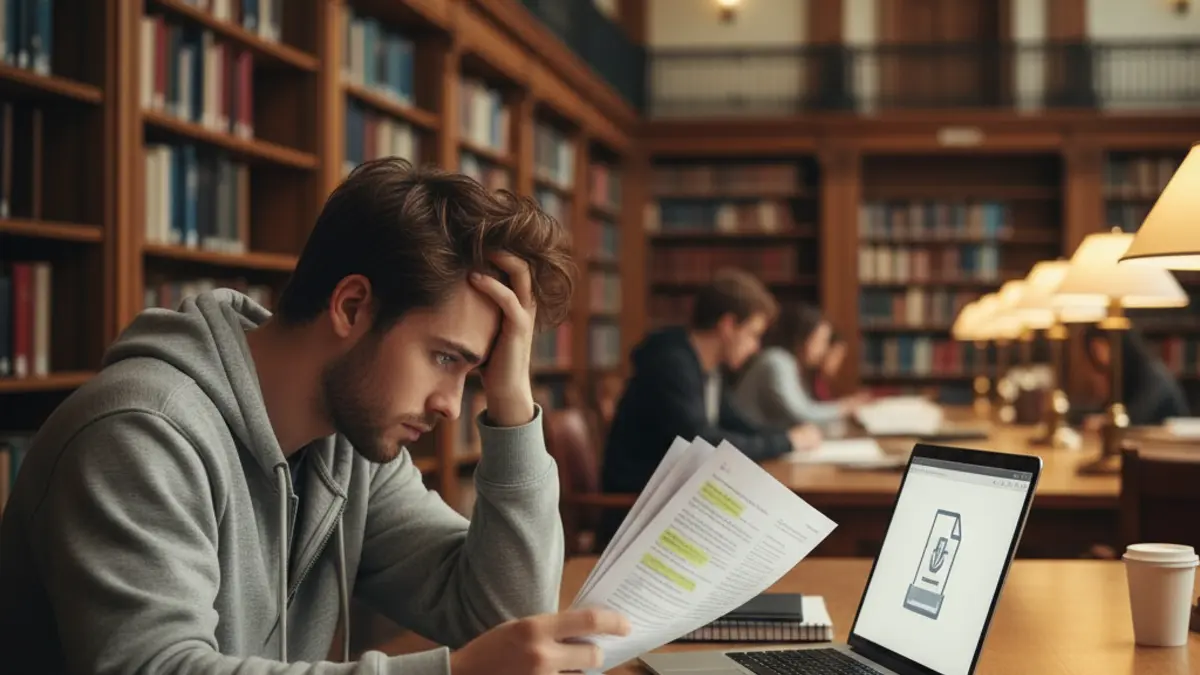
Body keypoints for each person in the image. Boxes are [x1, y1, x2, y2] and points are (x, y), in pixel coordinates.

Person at [0, 159, 632, 674]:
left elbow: (503, 614)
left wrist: (514, 406)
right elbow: (158, 668)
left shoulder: (348, 446)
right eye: (444, 357)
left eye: (473, 373)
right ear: (352, 306)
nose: (449, 404)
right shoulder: (139, 433)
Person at [599, 270, 822, 545]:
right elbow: (703, 442)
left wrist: (790, 436)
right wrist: (787, 441)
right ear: (728, 326)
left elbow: (738, 424)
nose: (755, 348)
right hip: (645, 512)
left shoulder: (707, 370)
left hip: (681, 497)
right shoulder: (672, 365)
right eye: (753, 334)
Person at [731, 303, 868, 430]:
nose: (823, 349)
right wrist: (845, 407)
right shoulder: (777, 361)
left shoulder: (792, 366)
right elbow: (802, 414)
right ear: (801, 338)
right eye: (820, 340)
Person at [1081, 323, 1189, 427]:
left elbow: (1140, 416)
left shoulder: (1152, 376)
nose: (1099, 354)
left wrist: (1105, 421)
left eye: (1101, 346)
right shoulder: (1121, 376)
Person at [812, 329, 847, 401]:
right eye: (836, 356)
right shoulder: (814, 383)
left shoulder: (824, 382)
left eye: (841, 357)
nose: (838, 362)